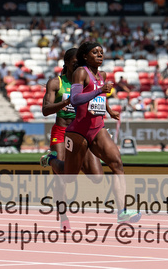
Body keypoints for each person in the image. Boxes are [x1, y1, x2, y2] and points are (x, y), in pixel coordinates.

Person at [63, 42, 141, 224]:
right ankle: (52, 160)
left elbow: (99, 97)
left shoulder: (102, 75)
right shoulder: (81, 72)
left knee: (117, 164)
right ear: (85, 56)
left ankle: (122, 212)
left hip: (98, 128)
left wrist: (108, 109)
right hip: (79, 131)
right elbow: (75, 99)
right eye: (94, 52)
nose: (99, 55)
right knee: (69, 176)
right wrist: (100, 90)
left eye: (101, 52)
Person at [39, 48, 105, 231]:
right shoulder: (56, 82)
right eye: (74, 63)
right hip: (61, 131)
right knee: (63, 178)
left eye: (80, 63)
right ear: (66, 63)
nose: (78, 66)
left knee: (97, 177)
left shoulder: (86, 79)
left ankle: (54, 160)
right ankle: (63, 216)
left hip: (81, 132)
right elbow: (45, 110)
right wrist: (66, 103)